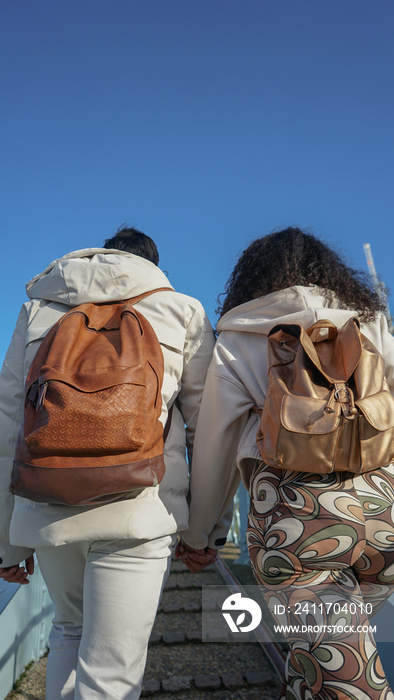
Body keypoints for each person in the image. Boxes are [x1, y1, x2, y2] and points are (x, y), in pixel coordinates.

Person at [178, 227, 394, 699]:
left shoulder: (239, 333)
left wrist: (201, 537)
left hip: (297, 523)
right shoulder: (369, 321)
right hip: (385, 511)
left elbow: (215, 444)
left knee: (343, 674)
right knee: (318, 662)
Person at [0, 226, 215, 699]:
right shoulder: (181, 311)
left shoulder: (38, 311)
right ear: (154, 267)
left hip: (47, 506)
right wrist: (202, 534)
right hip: (139, 510)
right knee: (111, 673)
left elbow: (8, 425)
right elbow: (209, 433)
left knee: (67, 632)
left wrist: (7, 544)